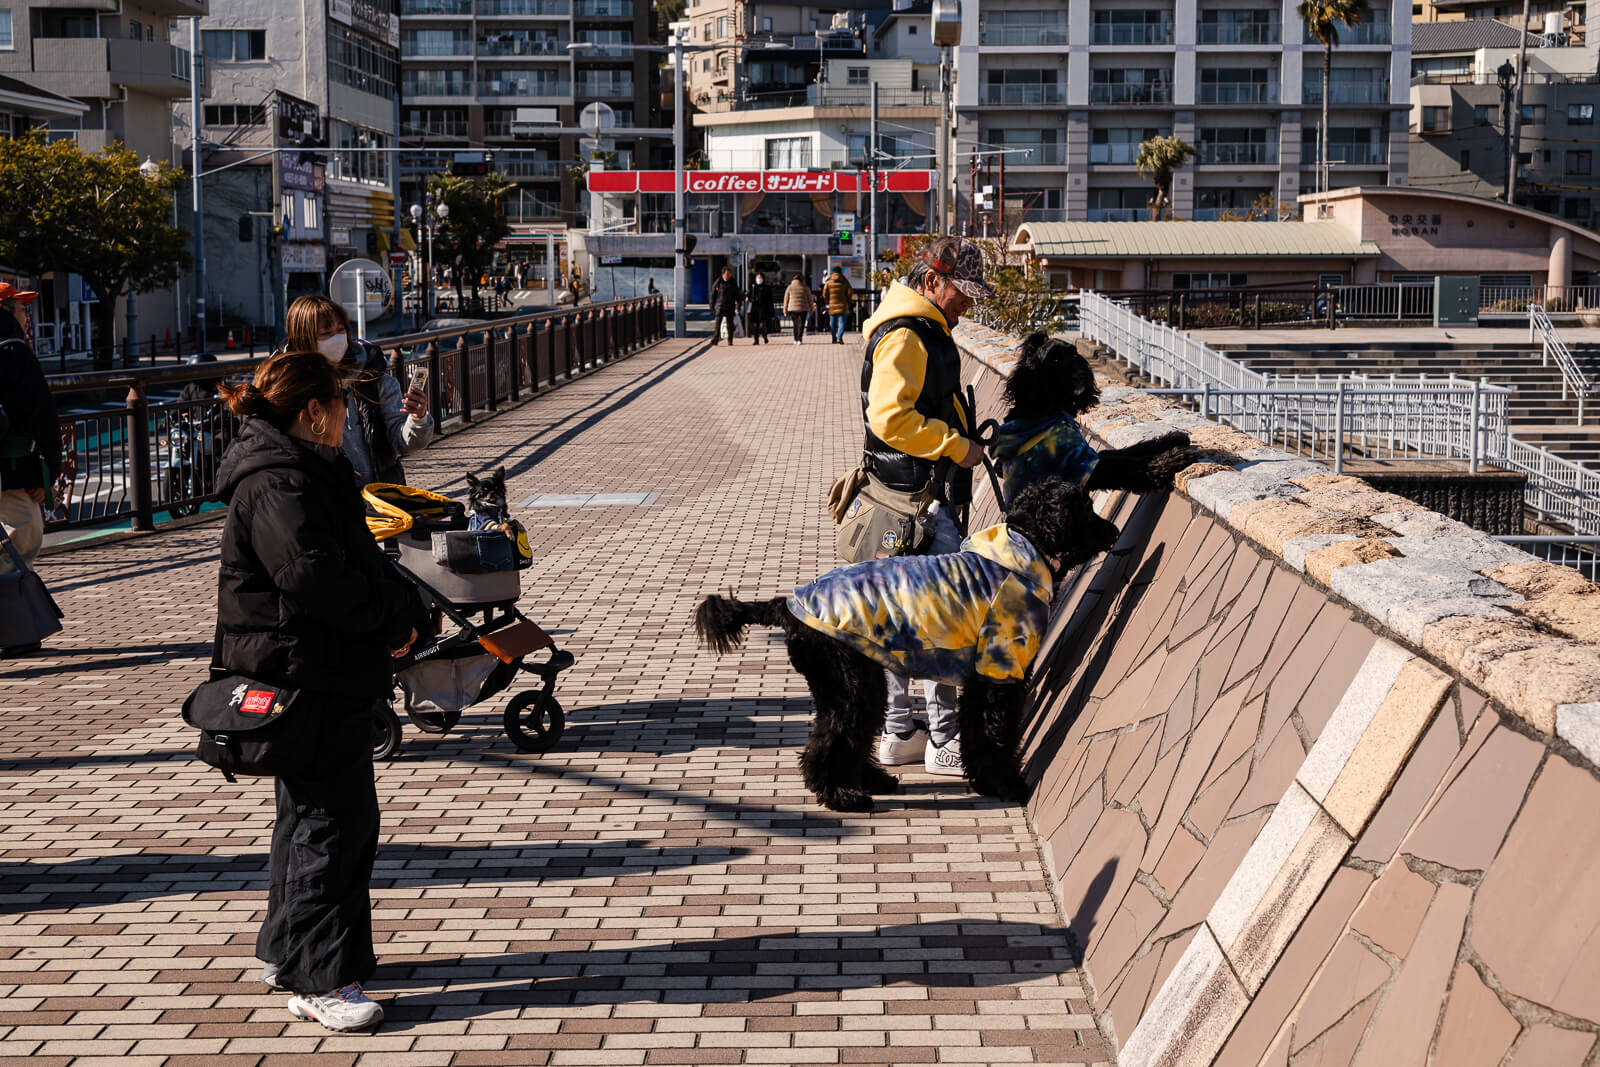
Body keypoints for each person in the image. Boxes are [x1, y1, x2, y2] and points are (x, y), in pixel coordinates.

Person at [212, 351, 423, 1032]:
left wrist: (403, 608)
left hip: (320, 668)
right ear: (312, 413)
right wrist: (390, 617)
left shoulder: (306, 469)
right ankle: (321, 976)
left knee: (309, 820)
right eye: (337, 404)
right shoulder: (279, 481)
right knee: (334, 823)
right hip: (304, 671)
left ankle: (289, 948)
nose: (344, 415)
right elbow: (316, 577)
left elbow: (352, 559)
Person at [856, 236, 995, 779]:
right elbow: (889, 419)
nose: (966, 303)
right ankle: (943, 738)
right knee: (944, 617)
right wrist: (959, 445)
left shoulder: (915, 327)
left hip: (899, 499)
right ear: (932, 280)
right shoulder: (909, 337)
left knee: (895, 616)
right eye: (961, 292)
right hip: (921, 502)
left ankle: (899, 733)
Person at [283, 295, 432, 488]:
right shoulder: (286, 389)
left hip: (378, 501)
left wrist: (417, 418)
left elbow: (404, 443)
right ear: (304, 338)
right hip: (321, 505)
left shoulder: (374, 379)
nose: (337, 338)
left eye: (341, 329)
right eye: (326, 333)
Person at [0, 281, 62, 657]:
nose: (27, 316)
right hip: (12, 469)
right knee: (23, 537)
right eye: (21, 308)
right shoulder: (13, 354)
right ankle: (12, 628)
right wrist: (45, 475)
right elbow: (40, 419)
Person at [710, 266, 742, 347]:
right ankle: (715, 339)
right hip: (720, 305)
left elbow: (737, 295)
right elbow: (713, 294)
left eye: (729, 274)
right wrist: (712, 305)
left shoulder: (733, 283)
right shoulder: (718, 282)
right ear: (723, 274)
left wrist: (738, 306)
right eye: (727, 274)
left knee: (730, 324)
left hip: (730, 306)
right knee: (718, 323)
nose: (728, 275)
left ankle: (730, 340)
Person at [824, 266, 855, 344]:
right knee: (842, 322)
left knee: (833, 323)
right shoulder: (844, 281)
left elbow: (824, 293)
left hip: (832, 305)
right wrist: (847, 301)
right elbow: (850, 292)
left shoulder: (828, 282)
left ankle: (834, 338)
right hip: (843, 305)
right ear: (841, 272)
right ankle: (839, 337)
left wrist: (828, 301)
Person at [783, 274, 815, 345]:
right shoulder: (805, 288)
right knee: (801, 324)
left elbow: (786, 300)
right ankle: (799, 339)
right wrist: (812, 309)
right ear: (802, 280)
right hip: (803, 308)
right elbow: (810, 299)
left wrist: (785, 310)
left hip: (792, 308)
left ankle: (795, 339)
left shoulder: (789, 287)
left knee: (795, 324)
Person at [746, 271, 774, 345]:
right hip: (755, 308)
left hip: (763, 309)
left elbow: (770, 300)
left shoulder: (766, 288)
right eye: (758, 277)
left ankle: (764, 336)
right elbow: (749, 295)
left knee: (762, 325)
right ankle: (756, 340)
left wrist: (771, 311)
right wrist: (749, 298)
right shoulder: (753, 287)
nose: (759, 279)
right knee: (755, 325)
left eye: (760, 277)